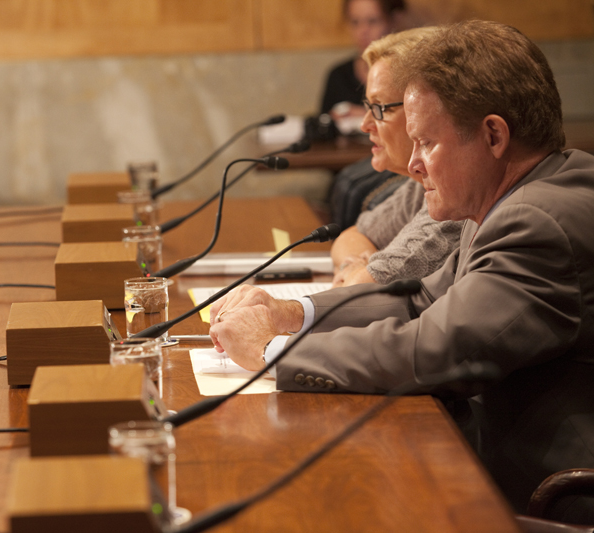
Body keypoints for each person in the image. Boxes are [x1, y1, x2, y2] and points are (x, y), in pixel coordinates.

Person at [210, 20, 594, 521]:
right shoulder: (518, 200)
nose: (412, 166)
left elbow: (437, 348)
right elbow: (418, 299)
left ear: (494, 135)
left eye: (427, 143)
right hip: (480, 462)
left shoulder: (536, 218)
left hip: (537, 496)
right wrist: (287, 312)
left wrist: (271, 351)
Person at [330, 27, 462, 287]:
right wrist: (353, 265)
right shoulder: (417, 186)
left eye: (379, 108)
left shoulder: (454, 201)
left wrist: (362, 272)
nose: (365, 125)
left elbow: (359, 290)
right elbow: (350, 236)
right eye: (368, 107)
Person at [315, 0, 405, 136]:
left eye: (373, 21)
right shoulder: (338, 75)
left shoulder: (405, 73)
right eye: (355, 22)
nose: (363, 31)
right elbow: (322, 127)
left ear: (393, 20)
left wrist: (366, 114)